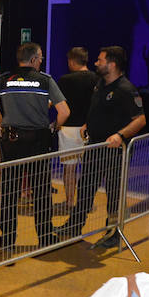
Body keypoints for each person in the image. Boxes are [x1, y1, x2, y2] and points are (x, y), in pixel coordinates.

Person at [0, 42, 69, 250]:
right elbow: (64, 112)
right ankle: (45, 237)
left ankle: (7, 239)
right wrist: (53, 129)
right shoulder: (45, 81)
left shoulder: (4, 80)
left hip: (12, 142)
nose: (41, 61)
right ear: (34, 59)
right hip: (39, 142)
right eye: (41, 57)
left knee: (10, 191)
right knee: (41, 191)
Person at [61, 46, 145, 249]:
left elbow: (140, 120)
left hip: (115, 151)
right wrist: (87, 124)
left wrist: (120, 135)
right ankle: (73, 227)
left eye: (100, 60)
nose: (96, 63)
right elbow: (98, 110)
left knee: (114, 194)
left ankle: (113, 234)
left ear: (112, 64)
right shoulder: (100, 84)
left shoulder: (126, 89)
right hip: (94, 147)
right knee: (86, 188)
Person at [56, 47, 98, 213]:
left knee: (69, 169)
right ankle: (85, 203)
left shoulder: (65, 80)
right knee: (89, 169)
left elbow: (57, 103)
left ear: (72, 61)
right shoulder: (97, 78)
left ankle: (69, 202)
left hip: (69, 129)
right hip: (90, 128)